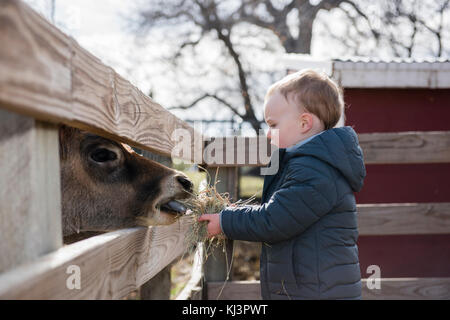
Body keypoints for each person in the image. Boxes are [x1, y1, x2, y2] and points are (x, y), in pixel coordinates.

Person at [199, 69, 366, 300]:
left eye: (273, 125)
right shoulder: (304, 164)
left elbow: (274, 220)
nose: (268, 134)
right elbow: (280, 209)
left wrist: (225, 221)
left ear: (304, 123)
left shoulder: (316, 171)